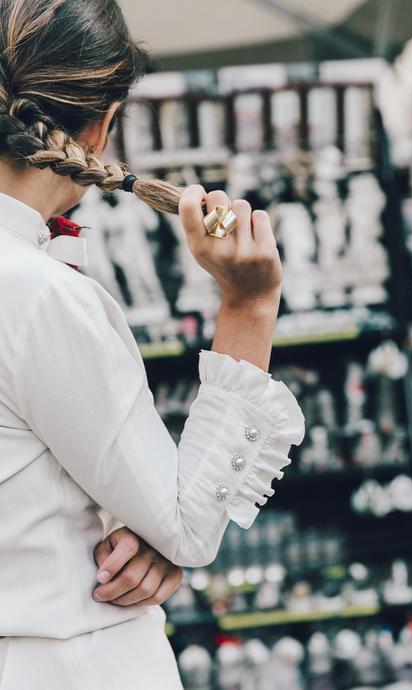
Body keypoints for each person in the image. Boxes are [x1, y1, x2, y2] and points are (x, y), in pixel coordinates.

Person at [0, 1, 305, 688]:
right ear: (103, 125)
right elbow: (188, 525)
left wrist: (122, 520)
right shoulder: (38, 296)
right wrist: (248, 306)